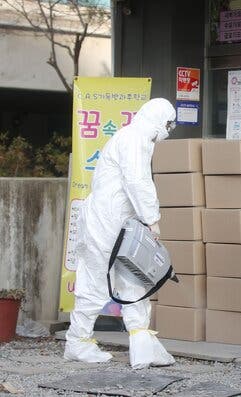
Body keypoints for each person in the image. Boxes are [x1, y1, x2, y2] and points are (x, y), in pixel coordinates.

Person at [64, 98, 177, 369]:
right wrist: (153, 219)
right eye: (168, 125)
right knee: (111, 280)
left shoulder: (132, 137)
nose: (168, 131)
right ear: (159, 120)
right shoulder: (134, 139)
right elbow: (137, 182)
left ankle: (132, 342)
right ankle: (85, 343)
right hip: (107, 222)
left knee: (120, 280)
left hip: (112, 222)